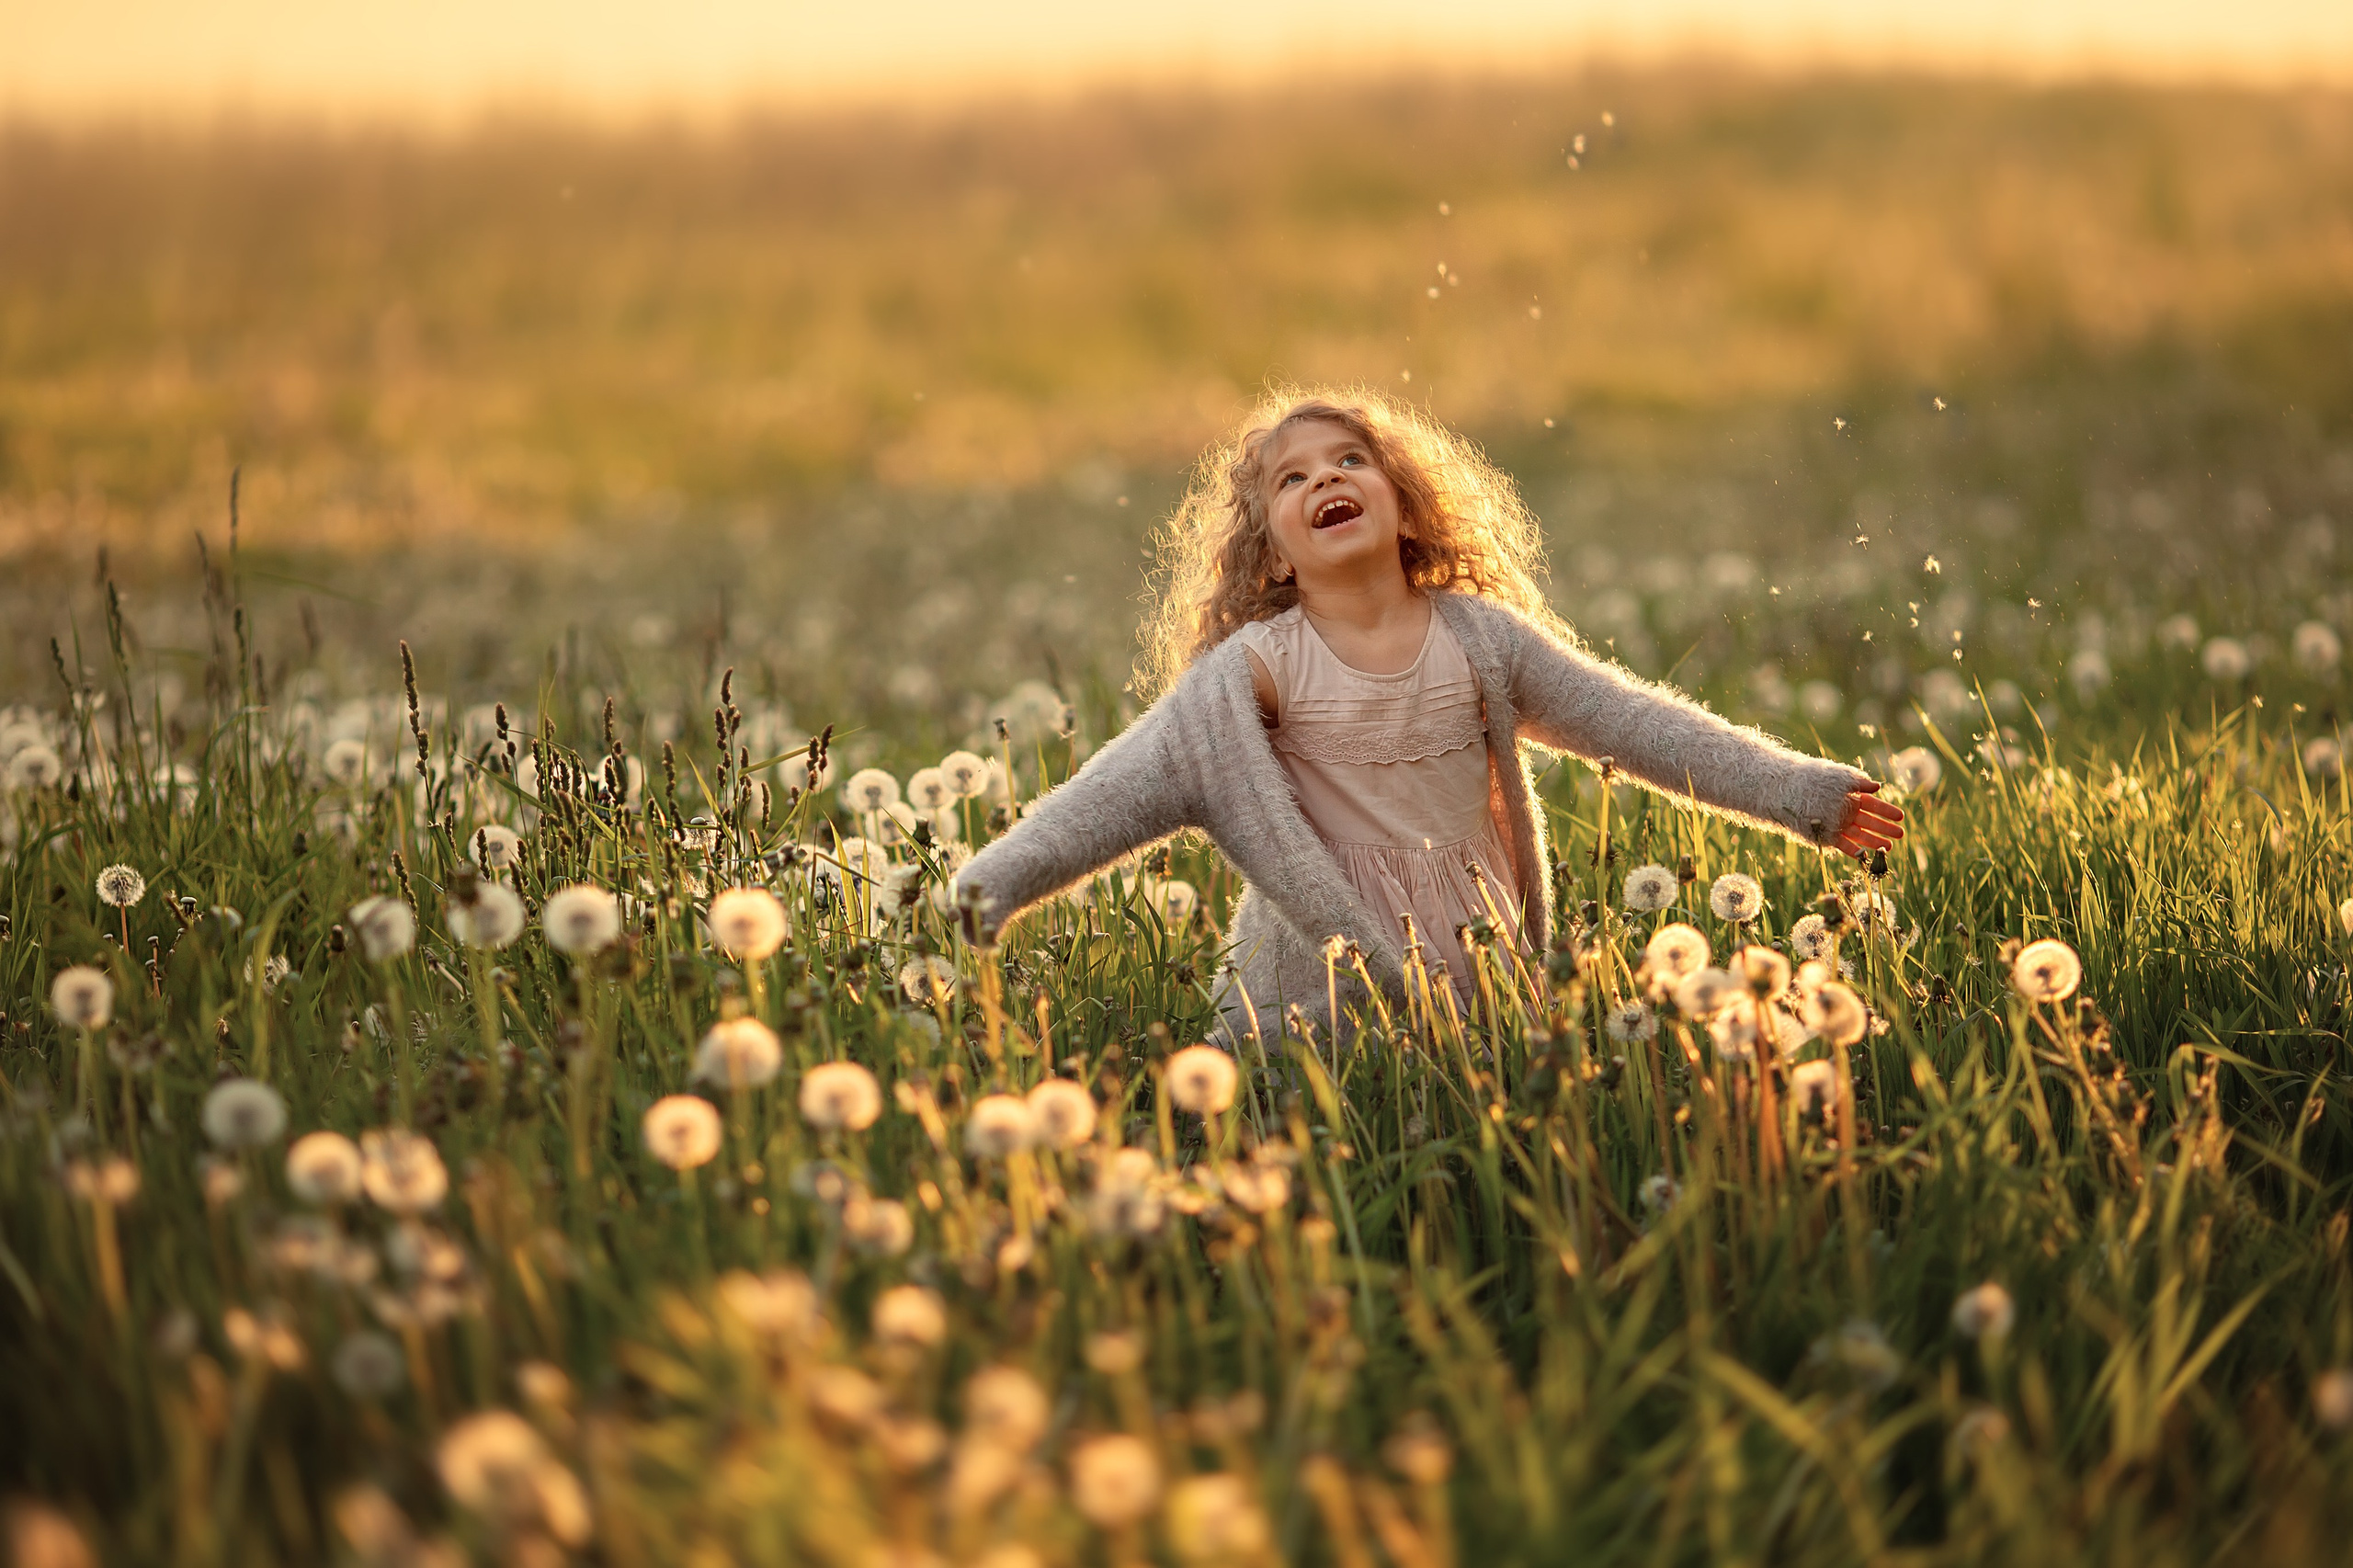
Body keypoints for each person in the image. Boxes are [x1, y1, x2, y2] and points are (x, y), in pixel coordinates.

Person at [955, 389, 1902, 1041]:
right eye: (1290, 480)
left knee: (1473, 1144)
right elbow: (1115, 789)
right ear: (1272, 558)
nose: (1324, 478)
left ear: (1406, 509)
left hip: (1479, 958)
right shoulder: (1254, 673)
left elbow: (1638, 727)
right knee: (1341, 1164)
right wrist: (988, 885)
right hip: (1320, 982)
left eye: (1349, 460)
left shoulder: (1481, 639)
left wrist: (1800, 794)